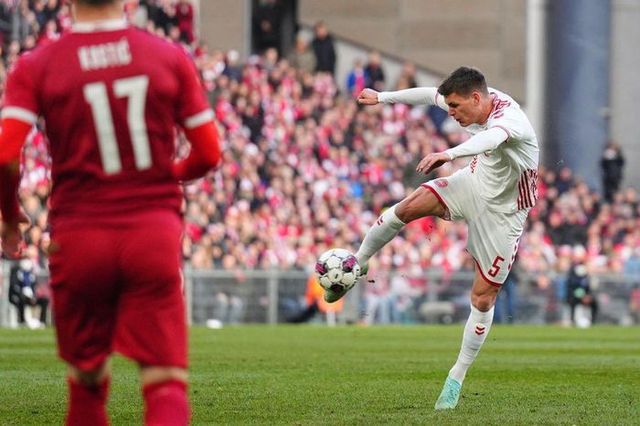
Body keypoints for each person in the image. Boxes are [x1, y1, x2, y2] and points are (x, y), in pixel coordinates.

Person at [0, 0, 222, 424]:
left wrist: (10, 217)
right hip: (151, 232)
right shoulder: (168, 56)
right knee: (165, 380)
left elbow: (7, 155)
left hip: (79, 233)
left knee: (86, 382)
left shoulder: (37, 64)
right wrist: (163, 173)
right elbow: (209, 153)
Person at [329, 67, 539, 410]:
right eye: (450, 107)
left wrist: (451, 154)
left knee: (483, 299)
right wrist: (383, 97)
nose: (451, 113)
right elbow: (430, 95)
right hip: (473, 184)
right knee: (407, 207)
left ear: (476, 98)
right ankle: (357, 264)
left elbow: (491, 139)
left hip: (504, 214)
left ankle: (456, 375)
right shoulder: (472, 100)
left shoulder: (512, 120)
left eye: (456, 107)